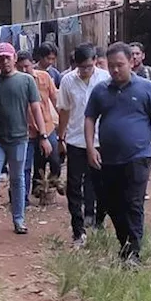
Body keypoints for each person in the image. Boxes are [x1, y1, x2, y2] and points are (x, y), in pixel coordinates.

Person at [85, 42, 151, 265]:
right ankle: (124, 243)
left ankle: (133, 253)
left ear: (131, 62)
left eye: (120, 65)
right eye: (111, 66)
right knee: (112, 203)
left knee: (133, 203)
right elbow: (89, 119)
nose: (115, 70)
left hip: (138, 156)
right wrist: (90, 148)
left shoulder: (146, 88)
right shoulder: (100, 90)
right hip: (108, 157)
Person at [0, 43, 52, 235]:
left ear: (14, 58)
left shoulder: (27, 81)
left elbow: (35, 109)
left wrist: (43, 135)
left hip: (19, 138)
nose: (5, 61)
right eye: (1, 58)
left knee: (17, 178)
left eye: (8, 57)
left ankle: (19, 220)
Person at [56, 44, 110, 249]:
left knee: (100, 184)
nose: (85, 70)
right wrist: (60, 138)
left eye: (88, 66)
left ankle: (98, 220)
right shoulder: (68, 80)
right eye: (81, 67)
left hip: (100, 140)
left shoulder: (105, 78)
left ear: (95, 60)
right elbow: (64, 111)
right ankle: (78, 229)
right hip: (76, 140)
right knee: (73, 186)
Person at [18, 52, 62, 203]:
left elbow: (55, 100)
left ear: (33, 64)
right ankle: (23, 198)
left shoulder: (44, 77)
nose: (24, 70)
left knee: (55, 158)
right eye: (21, 67)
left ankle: (51, 184)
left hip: (47, 126)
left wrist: (63, 124)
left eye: (27, 66)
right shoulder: (16, 82)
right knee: (26, 165)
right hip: (26, 130)